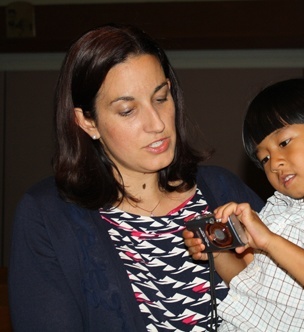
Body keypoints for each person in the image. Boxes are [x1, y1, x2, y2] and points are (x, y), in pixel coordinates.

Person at [8, 23, 264, 332]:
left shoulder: (223, 190)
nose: (156, 123)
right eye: (128, 110)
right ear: (88, 122)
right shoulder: (47, 215)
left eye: (161, 98)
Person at [184, 78, 304, 331]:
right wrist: (216, 250)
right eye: (264, 158)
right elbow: (250, 286)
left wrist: (269, 240)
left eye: (284, 143)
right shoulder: (278, 210)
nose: (274, 162)